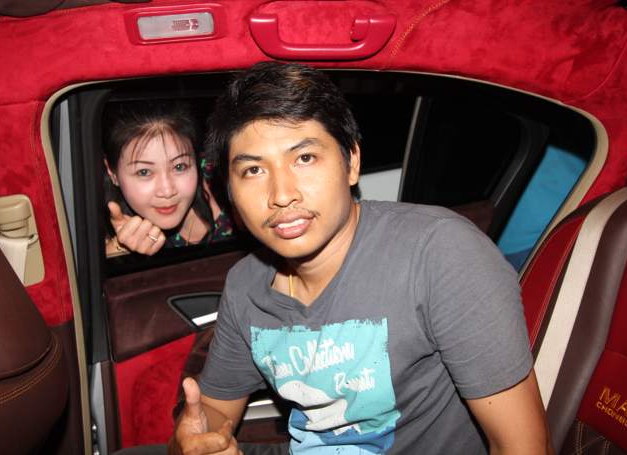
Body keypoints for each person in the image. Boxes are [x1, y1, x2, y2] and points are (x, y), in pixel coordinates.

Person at [169, 62, 552, 455]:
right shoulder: (246, 285)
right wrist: (198, 439)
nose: (281, 194)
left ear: (351, 161)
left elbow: (521, 446)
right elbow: (216, 408)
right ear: (230, 191)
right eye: (253, 169)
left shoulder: (440, 253)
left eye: (304, 158)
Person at [102, 100, 232, 256]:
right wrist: (118, 248)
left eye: (179, 167)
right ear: (112, 173)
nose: (167, 191)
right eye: (144, 172)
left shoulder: (229, 177)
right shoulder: (92, 225)